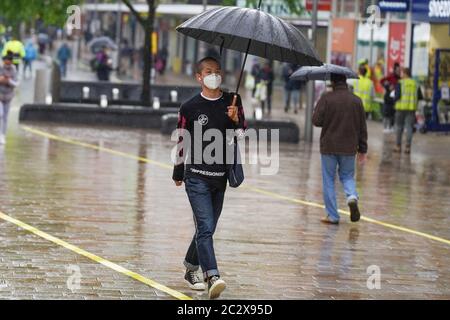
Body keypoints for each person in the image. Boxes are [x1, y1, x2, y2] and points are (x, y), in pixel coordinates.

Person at [172, 56, 246, 299]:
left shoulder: (233, 101)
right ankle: (212, 275)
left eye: (217, 71)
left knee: (208, 228)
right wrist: (178, 171)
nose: (214, 75)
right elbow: (182, 139)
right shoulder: (189, 107)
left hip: (220, 177)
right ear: (199, 77)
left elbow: (242, 133)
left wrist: (236, 120)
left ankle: (190, 267)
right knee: (204, 227)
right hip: (196, 178)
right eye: (208, 71)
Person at [312, 73, 368, 225]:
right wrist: (363, 149)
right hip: (349, 147)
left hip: (329, 145)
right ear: (345, 81)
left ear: (332, 82)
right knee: (347, 176)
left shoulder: (326, 98)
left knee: (329, 180)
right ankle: (351, 197)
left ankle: (333, 216)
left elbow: (316, 121)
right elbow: (362, 127)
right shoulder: (357, 101)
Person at [393, 68, 421, 154]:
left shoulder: (400, 83)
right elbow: (420, 96)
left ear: (405, 74)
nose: (401, 75)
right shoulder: (416, 84)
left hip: (400, 108)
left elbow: (397, 96)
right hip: (411, 109)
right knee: (409, 128)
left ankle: (398, 146)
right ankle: (407, 147)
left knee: (399, 127)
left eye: (402, 73)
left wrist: (393, 99)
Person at [0, 53, 19, 145]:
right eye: (5, 61)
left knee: (5, 117)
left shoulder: (14, 70)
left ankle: (3, 135)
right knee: (0, 114)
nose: (7, 63)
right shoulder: (0, 68)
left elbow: (16, 83)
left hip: (8, 96)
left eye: (9, 62)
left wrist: (8, 81)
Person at [380, 62, 401, 132]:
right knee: (387, 112)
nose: (399, 71)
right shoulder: (390, 76)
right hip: (388, 97)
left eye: (400, 70)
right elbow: (382, 81)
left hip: (395, 98)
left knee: (393, 113)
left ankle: (391, 127)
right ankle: (386, 127)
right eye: (397, 70)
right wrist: (387, 86)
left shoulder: (400, 79)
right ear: (394, 70)